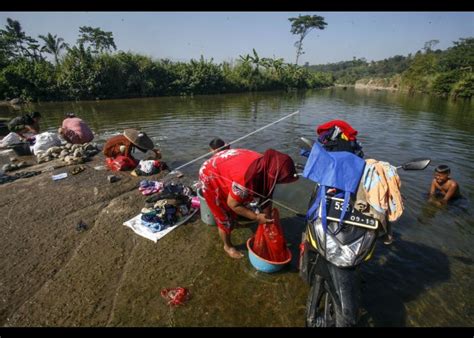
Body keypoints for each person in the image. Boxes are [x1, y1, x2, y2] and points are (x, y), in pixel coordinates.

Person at [199, 148, 298, 259]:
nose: (280, 183)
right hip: (210, 173)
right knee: (223, 216)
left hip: (228, 162)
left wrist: (268, 217)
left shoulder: (268, 166)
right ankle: (227, 246)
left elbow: (266, 194)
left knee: (237, 200)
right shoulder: (246, 180)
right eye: (281, 180)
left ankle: (234, 222)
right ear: (274, 175)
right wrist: (256, 217)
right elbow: (233, 204)